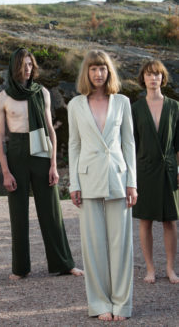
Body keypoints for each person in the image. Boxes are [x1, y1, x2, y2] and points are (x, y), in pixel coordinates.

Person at [0, 48, 83, 280]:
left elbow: (51, 130)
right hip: (17, 151)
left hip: (41, 150)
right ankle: (20, 268)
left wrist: (53, 165)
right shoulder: (1, 98)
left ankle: (64, 263)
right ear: (14, 66)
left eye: (30, 64)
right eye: (23, 64)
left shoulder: (41, 92)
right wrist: (5, 171)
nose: (27, 68)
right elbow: (1, 138)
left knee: (51, 209)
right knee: (18, 213)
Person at [68, 50, 137, 321]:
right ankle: (99, 304)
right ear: (87, 72)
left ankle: (122, 304)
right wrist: (73, 182)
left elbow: (129, 143)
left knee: (121, 246)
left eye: (103, 68)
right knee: (93, 246)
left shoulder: (122, 102)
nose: (99, 73)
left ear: (109, 72)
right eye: (94, 69)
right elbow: (74, 145)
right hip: (87, 181)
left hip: (119, 179)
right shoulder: (75, 105)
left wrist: (132, 181)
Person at [132, 59, 179, 284]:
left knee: (170, 220)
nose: (153, 78)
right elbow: (131, 144)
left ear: (163, 78)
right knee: (145, 221)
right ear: (143, 78)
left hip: (169, 169)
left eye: (157, 74)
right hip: (144, 169)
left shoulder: (175, 106)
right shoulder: (136, 108)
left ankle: (170, 268)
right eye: (149, 74)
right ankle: (150, 269)